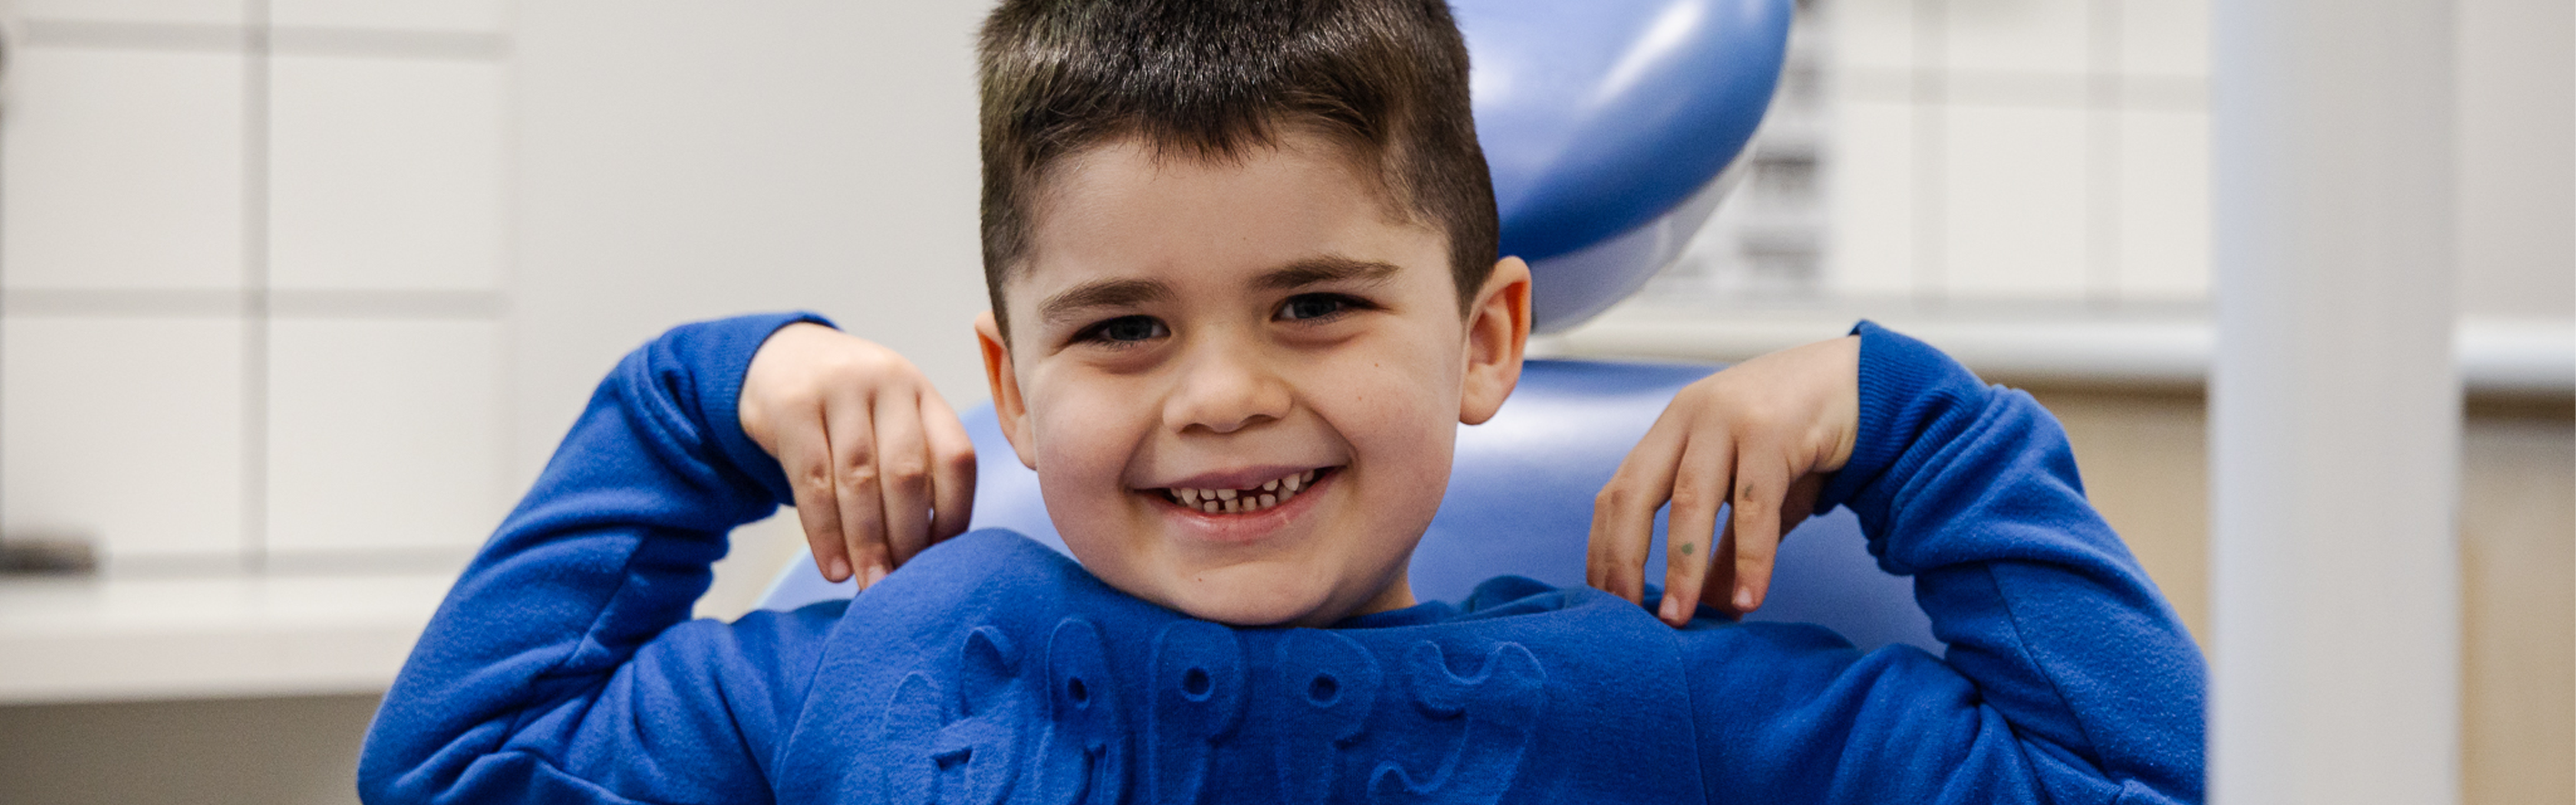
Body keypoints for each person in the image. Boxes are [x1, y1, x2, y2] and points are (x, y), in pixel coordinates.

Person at [358, 0, 2205, 802]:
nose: (1223, 396)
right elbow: (448, 770)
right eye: (1121, 332)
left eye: (1316, 304)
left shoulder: (1652, 707)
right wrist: (701, 400)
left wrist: (1909, 420)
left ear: (1485, 339)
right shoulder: (878, 663)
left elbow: (2156, 781)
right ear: (1007, 384)